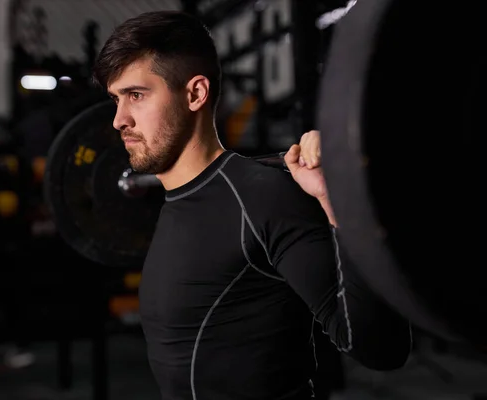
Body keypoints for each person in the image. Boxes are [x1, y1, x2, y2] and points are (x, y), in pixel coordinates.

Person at [92, 10, 412, 400]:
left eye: (136, 96)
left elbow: (381, 348)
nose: (118, 119)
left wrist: (336, 203)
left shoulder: (263, 198)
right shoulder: (178, 200)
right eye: (115, 99)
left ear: (195, 94)